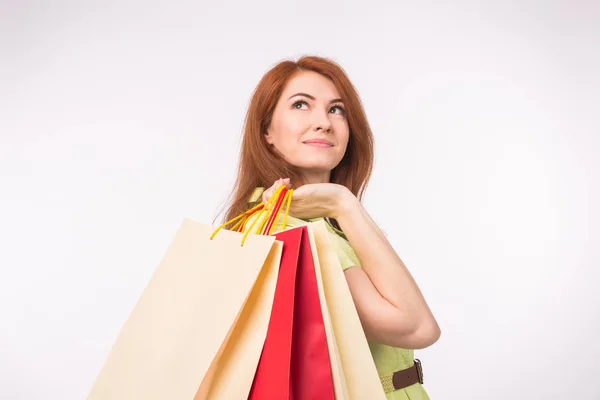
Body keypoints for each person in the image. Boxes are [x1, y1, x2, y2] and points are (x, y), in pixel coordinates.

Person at [221, 55, 440, 399]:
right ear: (267, 132)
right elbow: (418, 328)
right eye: (301, 105)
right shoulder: (295, 230)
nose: (323, 122)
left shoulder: (317, 222)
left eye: (336, 109)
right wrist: (343, 202)